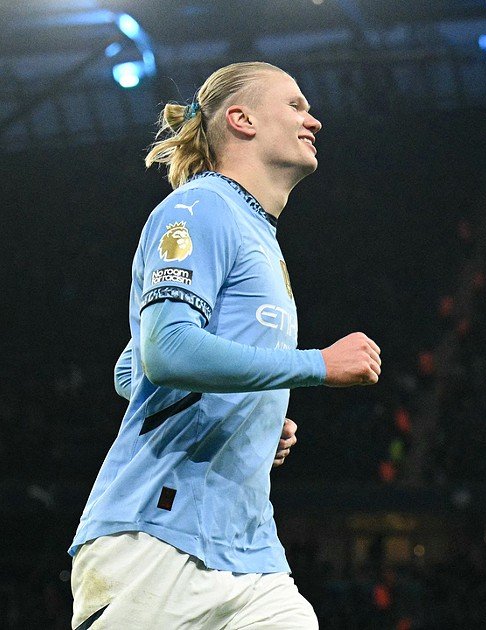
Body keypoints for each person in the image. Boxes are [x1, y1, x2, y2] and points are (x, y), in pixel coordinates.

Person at [68, 61, 381, 629]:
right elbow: (164, 352)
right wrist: (317, 365)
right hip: (157, 539)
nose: (313, 120)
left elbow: (130, 369)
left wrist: (245, 412)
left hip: (249, 551)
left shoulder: (256, 229)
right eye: (295, 105)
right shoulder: (200, 208)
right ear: (241, 119)